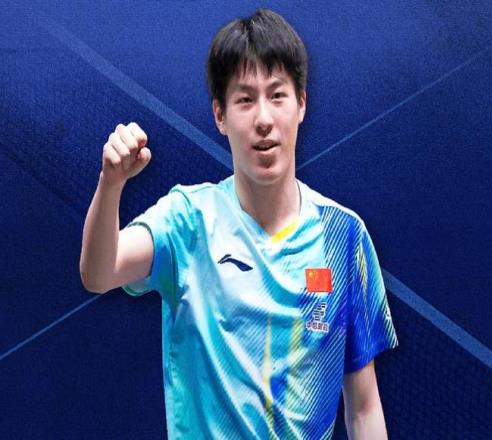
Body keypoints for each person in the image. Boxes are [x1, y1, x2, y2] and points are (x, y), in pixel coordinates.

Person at [80, 8, 398, 440]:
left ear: (301, 105)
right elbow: (99, 273)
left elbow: (363, 409)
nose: (263, 118)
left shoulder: (343, 237)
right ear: (220, 115)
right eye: (245, 100)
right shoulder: (188, 221)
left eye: (278, 95)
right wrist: (111, 183)